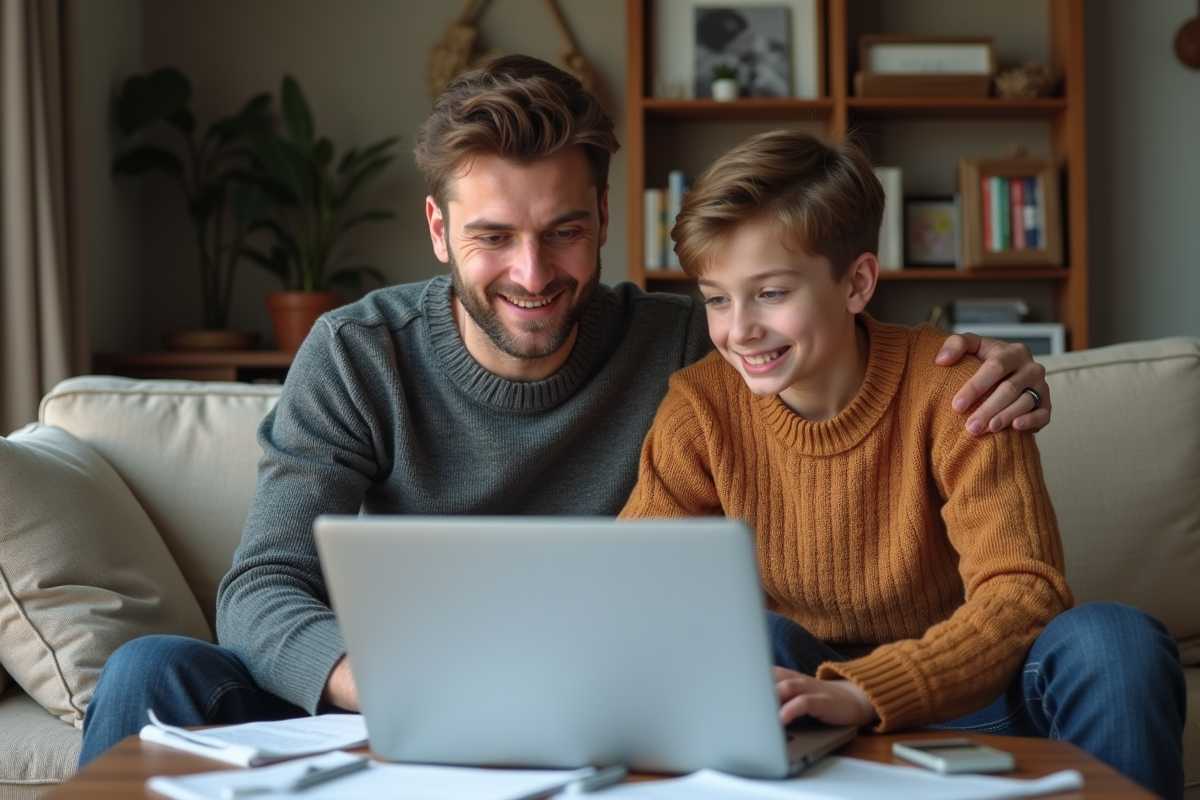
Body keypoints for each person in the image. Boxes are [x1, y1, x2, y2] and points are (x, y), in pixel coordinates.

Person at [78, 56, 1056, 767]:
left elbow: (818, 340)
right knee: (150, 669)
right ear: (437, 228)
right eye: (493, 236)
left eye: (565, 232)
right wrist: (369, 680)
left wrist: (992, 368)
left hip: (602, 696)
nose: (534, 274)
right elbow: (261, 586)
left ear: (603, 219)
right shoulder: (355, 351)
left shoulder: (690, 343)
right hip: (386, 695)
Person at [617, 129, 1186, 799]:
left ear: (856, 283)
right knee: (757, 639)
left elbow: (1023, 592)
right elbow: (632, 593)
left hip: (967, 694)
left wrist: (866, 690)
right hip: (799, 700)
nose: (738, 329)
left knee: (1115, 640)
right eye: (717, 298)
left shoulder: (957, 388)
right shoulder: (700, 408)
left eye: (770, 293)